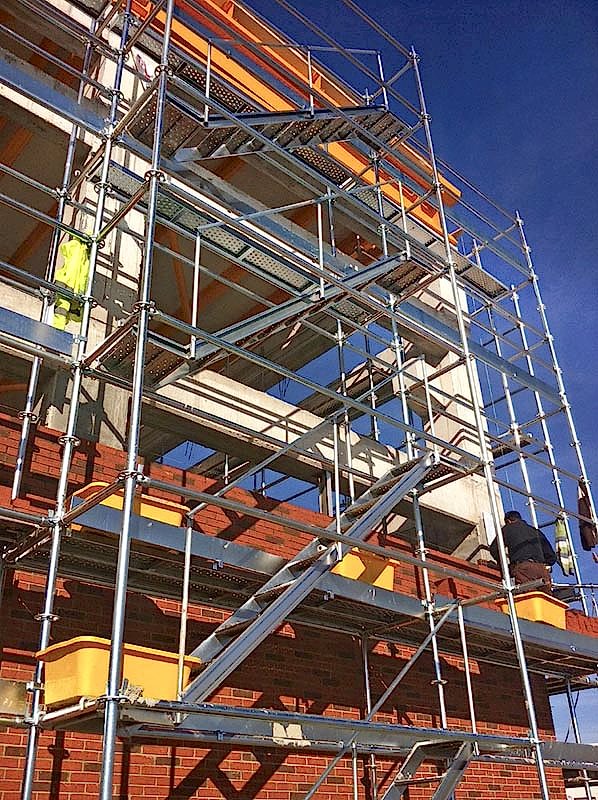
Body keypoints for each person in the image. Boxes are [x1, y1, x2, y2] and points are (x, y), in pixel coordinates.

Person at [489, 510, 557, 593]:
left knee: (529, 595)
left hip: (523, 569)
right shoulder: (536, 531)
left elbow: (494, 549)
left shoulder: (508, 528)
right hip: (541, 569)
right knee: (545, 598)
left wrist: (503, 566)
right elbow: (552, 557)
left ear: (508, 521)